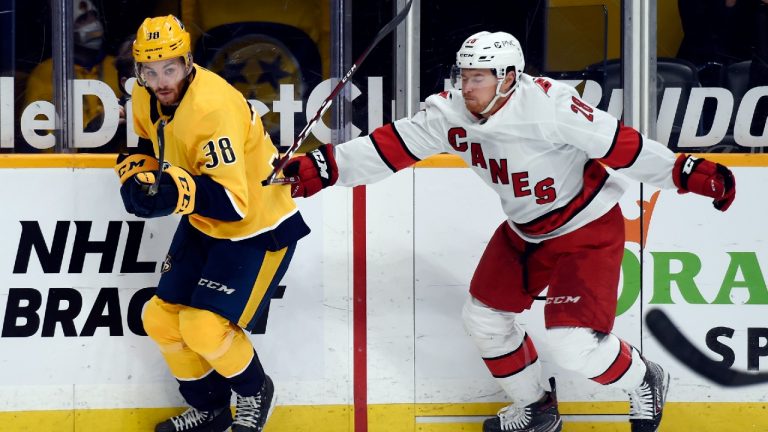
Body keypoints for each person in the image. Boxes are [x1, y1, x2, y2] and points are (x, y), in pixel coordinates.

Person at [281, 31, 736, 432]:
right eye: (463, 76)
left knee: (572, 342)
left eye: (478, 77)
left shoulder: (551, 106)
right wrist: (323, 168)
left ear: (509, 78)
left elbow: (621, 146)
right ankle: (536, 408)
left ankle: (643, 378)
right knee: (483, 319)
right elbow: (390, 147)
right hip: (525, 231)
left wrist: (688, 173)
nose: (467, 87)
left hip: (586, 227)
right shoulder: (450, 113)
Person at [115, 15, 310, 432]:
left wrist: (173, 193)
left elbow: (234, 204)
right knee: (160, 319)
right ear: (139, 72)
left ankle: (255, 393)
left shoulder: (213, 108)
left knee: (204, 327)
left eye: (169, 68)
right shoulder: (144, 95)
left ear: (188, 63)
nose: (161, 81)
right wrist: (135, 175)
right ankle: (211, 408)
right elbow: (147, 143)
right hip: (205, 222)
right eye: (150, 71)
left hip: (258, 227)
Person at [24, 0, 120, 139]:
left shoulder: (116, 66)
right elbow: (33, 134)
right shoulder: (45, 73)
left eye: (94, 16)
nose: (94, 23)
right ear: (66, 28)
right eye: (83, 19)